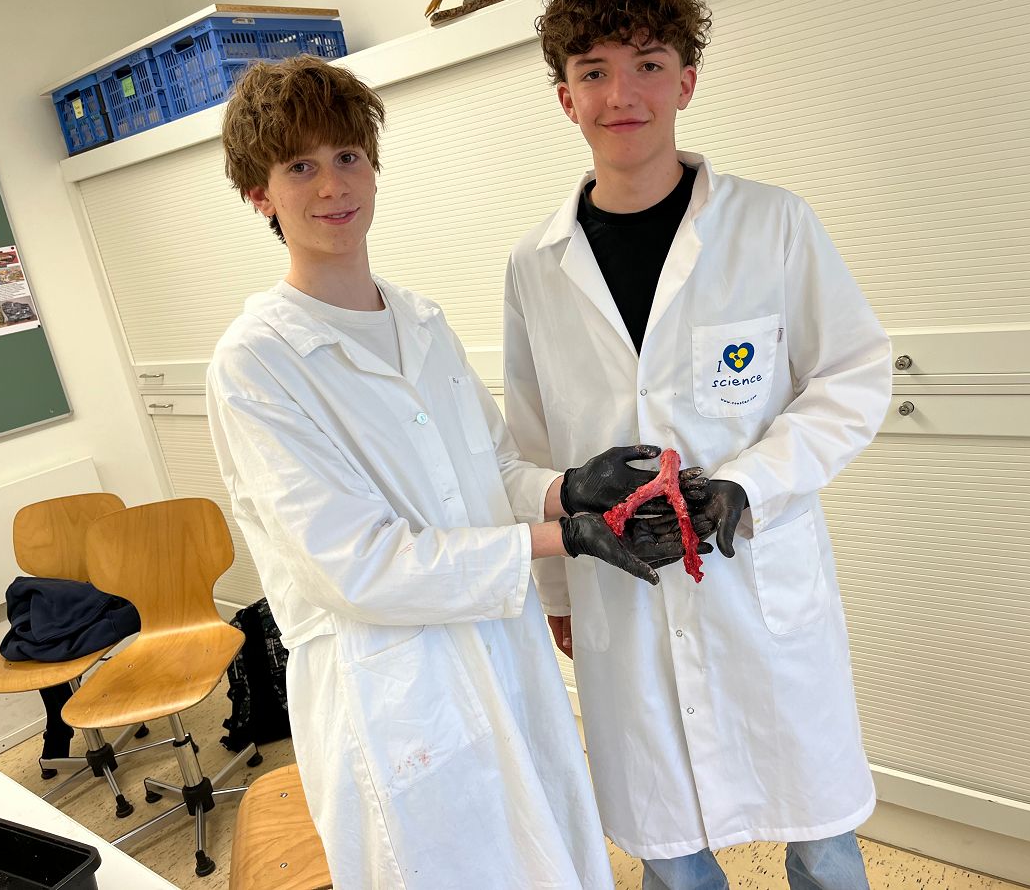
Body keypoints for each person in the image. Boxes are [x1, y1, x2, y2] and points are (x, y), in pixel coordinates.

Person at [207, 54, 697, 889]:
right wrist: (563, 538)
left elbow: (490, 469)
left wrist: (567, 489)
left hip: (501, 652)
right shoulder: (257, 362)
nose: (333, 185)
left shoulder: (421, 321)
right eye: (300, 167)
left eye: (347, 156)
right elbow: (357, 565)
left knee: (550, 853)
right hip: (394, 689)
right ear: (260, 193)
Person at [502, 0, 894, 888]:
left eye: (647, 65)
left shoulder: (771, 224)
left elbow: (852, 375)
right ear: (565, 97)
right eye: (593, 72)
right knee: (671, 854)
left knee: (822, 839)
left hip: (757, 576)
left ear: (685, 81)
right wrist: (558, 586)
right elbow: (528, 438)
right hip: (623, 589)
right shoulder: (535, 265)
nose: (621, 94)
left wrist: (750, 481)